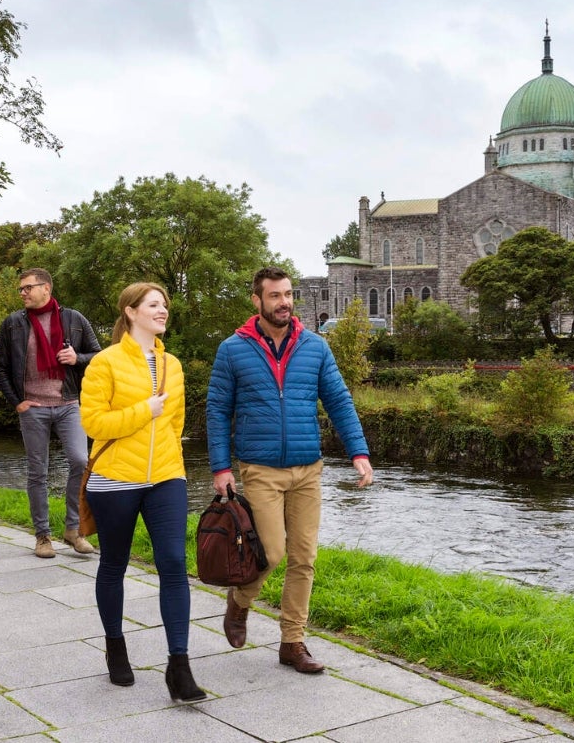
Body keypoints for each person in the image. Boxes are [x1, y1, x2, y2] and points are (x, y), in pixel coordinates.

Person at [206, 266, 374, 673]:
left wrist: (359, 451)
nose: (284, 302)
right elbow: (217, 410)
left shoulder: (315, 347)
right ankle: (239, 602)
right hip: (259, 468)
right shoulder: (233, 349)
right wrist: (221, 467)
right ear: (257, 301)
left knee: (304, 557)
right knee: (272, 552)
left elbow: (339, 401)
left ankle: (292, 642)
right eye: (275, 296)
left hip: (308, 468)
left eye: (288, 294)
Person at [79, 282, 204, 701]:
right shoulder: (104, 363)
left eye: (165, 305)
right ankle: (116, 647)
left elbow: (175, 423)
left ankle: (180, 667)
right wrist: (142, 411)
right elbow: (94, 425)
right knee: (114, 564)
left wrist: (164, 452)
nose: (163, 310)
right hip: (115, 478)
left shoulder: (174, 365)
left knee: (173, 563)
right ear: (131, 312)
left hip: (166, 476)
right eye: (154, 304)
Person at [0, 268, 102, 558]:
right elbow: (1, 368)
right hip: (33, 408)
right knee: (37, 472)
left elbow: (99, 356)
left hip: (68, 404)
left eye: (28, 288)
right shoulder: (13, 324)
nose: (23, 293)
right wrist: (17, 401)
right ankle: (43, 536)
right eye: (21, 289)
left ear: (46, 288)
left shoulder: (74, 319)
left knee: (81, 461)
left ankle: (72, 529)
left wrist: (76, 358)